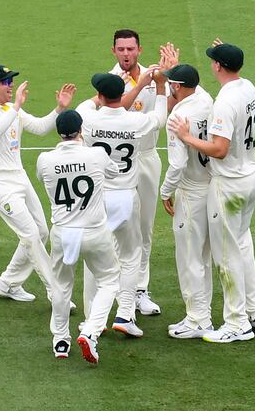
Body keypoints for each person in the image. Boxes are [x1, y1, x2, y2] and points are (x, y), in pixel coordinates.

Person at [168, 40, 255, 343]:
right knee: (240, 243)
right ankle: (254, 308)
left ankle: (237, 324)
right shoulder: (247, 87)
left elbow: (220, 149)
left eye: (214, 59)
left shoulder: (224, 102)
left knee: (225, 256)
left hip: (228, 185)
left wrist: (187, 137)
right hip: (250, 176)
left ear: (218, 66)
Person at [0, 64, 75, 306]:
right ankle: (56, 292)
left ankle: (8, 283)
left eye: (11, 81)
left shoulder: (10, 109)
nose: (11, 85)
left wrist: (59, 109)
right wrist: (16, 106)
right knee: (30, 235)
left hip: (19, 176)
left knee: (41, 231)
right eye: (6, 81)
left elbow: (40, 128)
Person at [76, 71, 167, 338]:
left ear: (102, 95)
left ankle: (93, 319)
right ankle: (125, 314)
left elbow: (88, 104)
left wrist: (117, 92)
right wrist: (159, 86)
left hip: (97, 197)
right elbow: (160, 118)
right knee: (130, 256)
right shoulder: (135, 121)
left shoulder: (88, 117)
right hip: (126, 196)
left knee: (94, 256)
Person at [36, 109, 120, 364]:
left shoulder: (44, 159)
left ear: (59, 133)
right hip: (94, 231)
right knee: (109, 280)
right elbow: (114, 173)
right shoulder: (96, 154)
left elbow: (44, 178)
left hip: (63, 233)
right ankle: (91, 330)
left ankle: (60, 340)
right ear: (81, 130)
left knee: (61, 286)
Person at [158, 64, 215, 339]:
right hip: (212, 188)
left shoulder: (177, 116)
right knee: (203, 256)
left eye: (171, 82)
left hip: (190, 193)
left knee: (189, 257)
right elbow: (197, 88)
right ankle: (203, 315)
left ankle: (197, 320)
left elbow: (177, 164)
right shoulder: (206, 100)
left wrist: (165, 191)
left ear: (177, 87)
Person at [109, 29, 163, 316]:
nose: (126, 54)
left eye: (131, 49)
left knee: (145, 227)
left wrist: (166, 77)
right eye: (121, 49)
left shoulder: (156, 78)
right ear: (114, 51)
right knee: (120, 227)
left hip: (147, 157)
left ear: (140, 50)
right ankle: (117, 289)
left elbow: (175, 104)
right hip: (119, 164)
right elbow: (119, 110)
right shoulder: (110, 81)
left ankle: (140, 290)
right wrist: (141, 84)